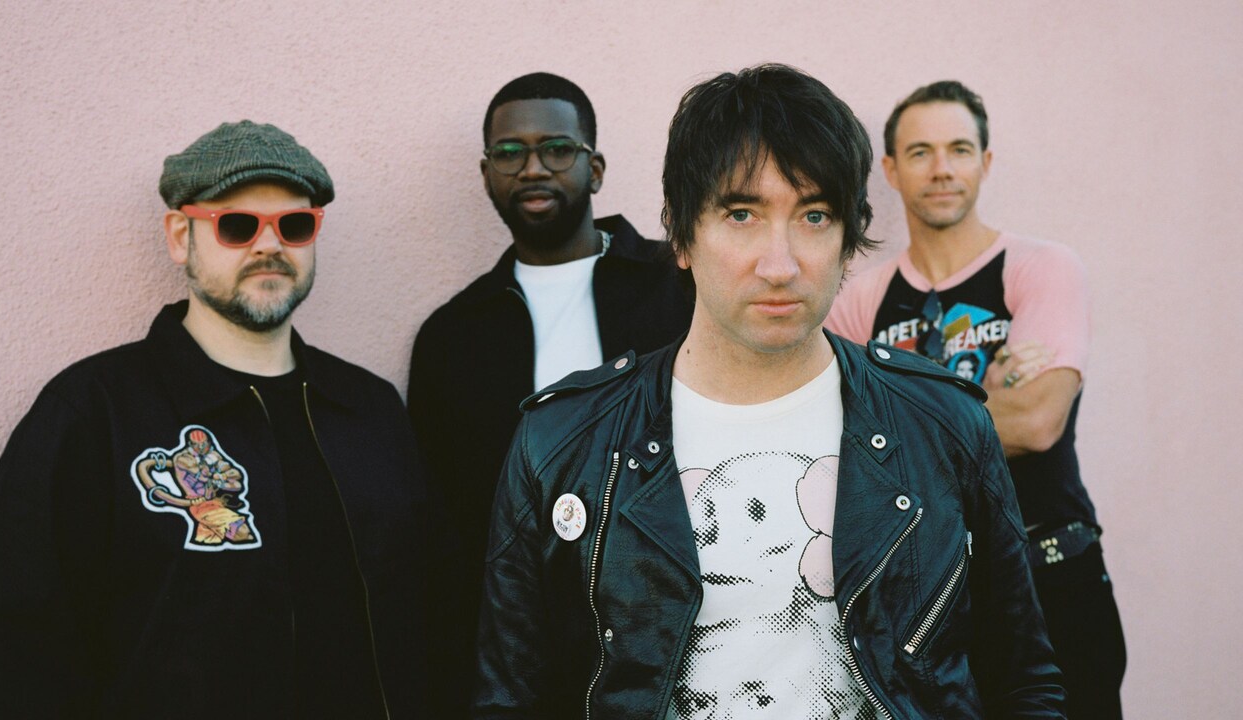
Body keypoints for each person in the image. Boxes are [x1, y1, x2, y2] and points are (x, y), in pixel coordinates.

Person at [474, 64, 1064, 719]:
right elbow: (510, 699)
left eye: (813, 215)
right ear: (682, 234)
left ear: (848, 241)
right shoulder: (562, 442)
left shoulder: (944, 423)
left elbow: (1024, 681)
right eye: (742, 213)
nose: (779, 264)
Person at [0, 121, 426, 719]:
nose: (270, 246)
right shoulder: (92, 413)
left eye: (294, 225)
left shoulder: (370, 409)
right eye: (236, 226)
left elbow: (427, 610)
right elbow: (23, 658)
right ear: (180, 237)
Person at [826, 80, 1125, 718]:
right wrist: (989, 393)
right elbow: (840, 439)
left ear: (985, 163)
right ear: (891, 170)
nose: (941, 169)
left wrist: (900, 414)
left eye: (959, 149)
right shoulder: (860, 299)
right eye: (921, 152)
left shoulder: (1040, 267)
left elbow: (1038, 421)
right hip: (924, 589)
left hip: (1053, 570)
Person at [408, 72, 691, 713]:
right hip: (527, 648)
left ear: (594, 169)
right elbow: (440, 523)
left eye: (556, 149)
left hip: (676, 622)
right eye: (510, 153)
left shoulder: (676, 289)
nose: (532, 167)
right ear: (486, 174)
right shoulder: (452, 337)